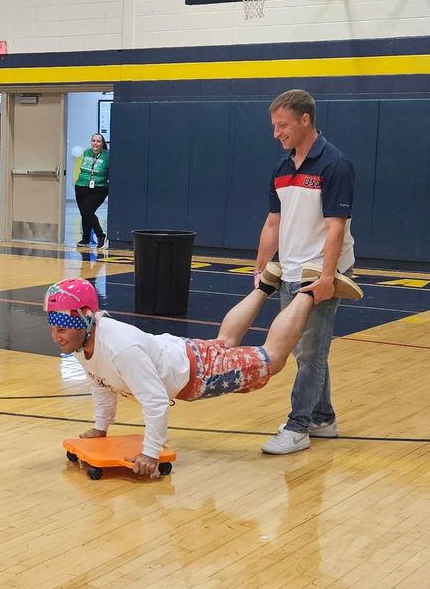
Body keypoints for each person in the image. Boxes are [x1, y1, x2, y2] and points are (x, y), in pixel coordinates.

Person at [45, 268, 362, 474]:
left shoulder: (120, 349)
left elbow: (155, 402)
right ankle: (267, 283)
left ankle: (308, 289)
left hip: (198, 373)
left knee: (273, 359)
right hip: (181, 353)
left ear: (85, 319)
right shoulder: (82, 343)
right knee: (224, 343)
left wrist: (151, 453)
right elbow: (100, 382)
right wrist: (100, 428)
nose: (57, 337)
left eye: (62, 329)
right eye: (54, 328)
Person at [254, 89, 357, 455]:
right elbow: (273, 222)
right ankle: (323, 418)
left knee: (311, 351)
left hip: (320, 270)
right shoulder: (282, 168)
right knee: (303, 350)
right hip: (291, 269)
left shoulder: (334, 164)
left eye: (282, 125)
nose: (276, 133)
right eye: (274, 126)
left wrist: (327, 277)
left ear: (305, 120)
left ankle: (298, 428)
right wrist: (260, 267)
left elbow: (335, 226)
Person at [74, 133, 110, 248]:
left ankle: (101, 235)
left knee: (87, 211)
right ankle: (85, 239)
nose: (95, 143)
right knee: (84, 214)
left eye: (98, 141)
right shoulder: (87, 152)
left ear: (102, 143)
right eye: (93, 140)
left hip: (99, 188)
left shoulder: (107, 155)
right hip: (81, 186)